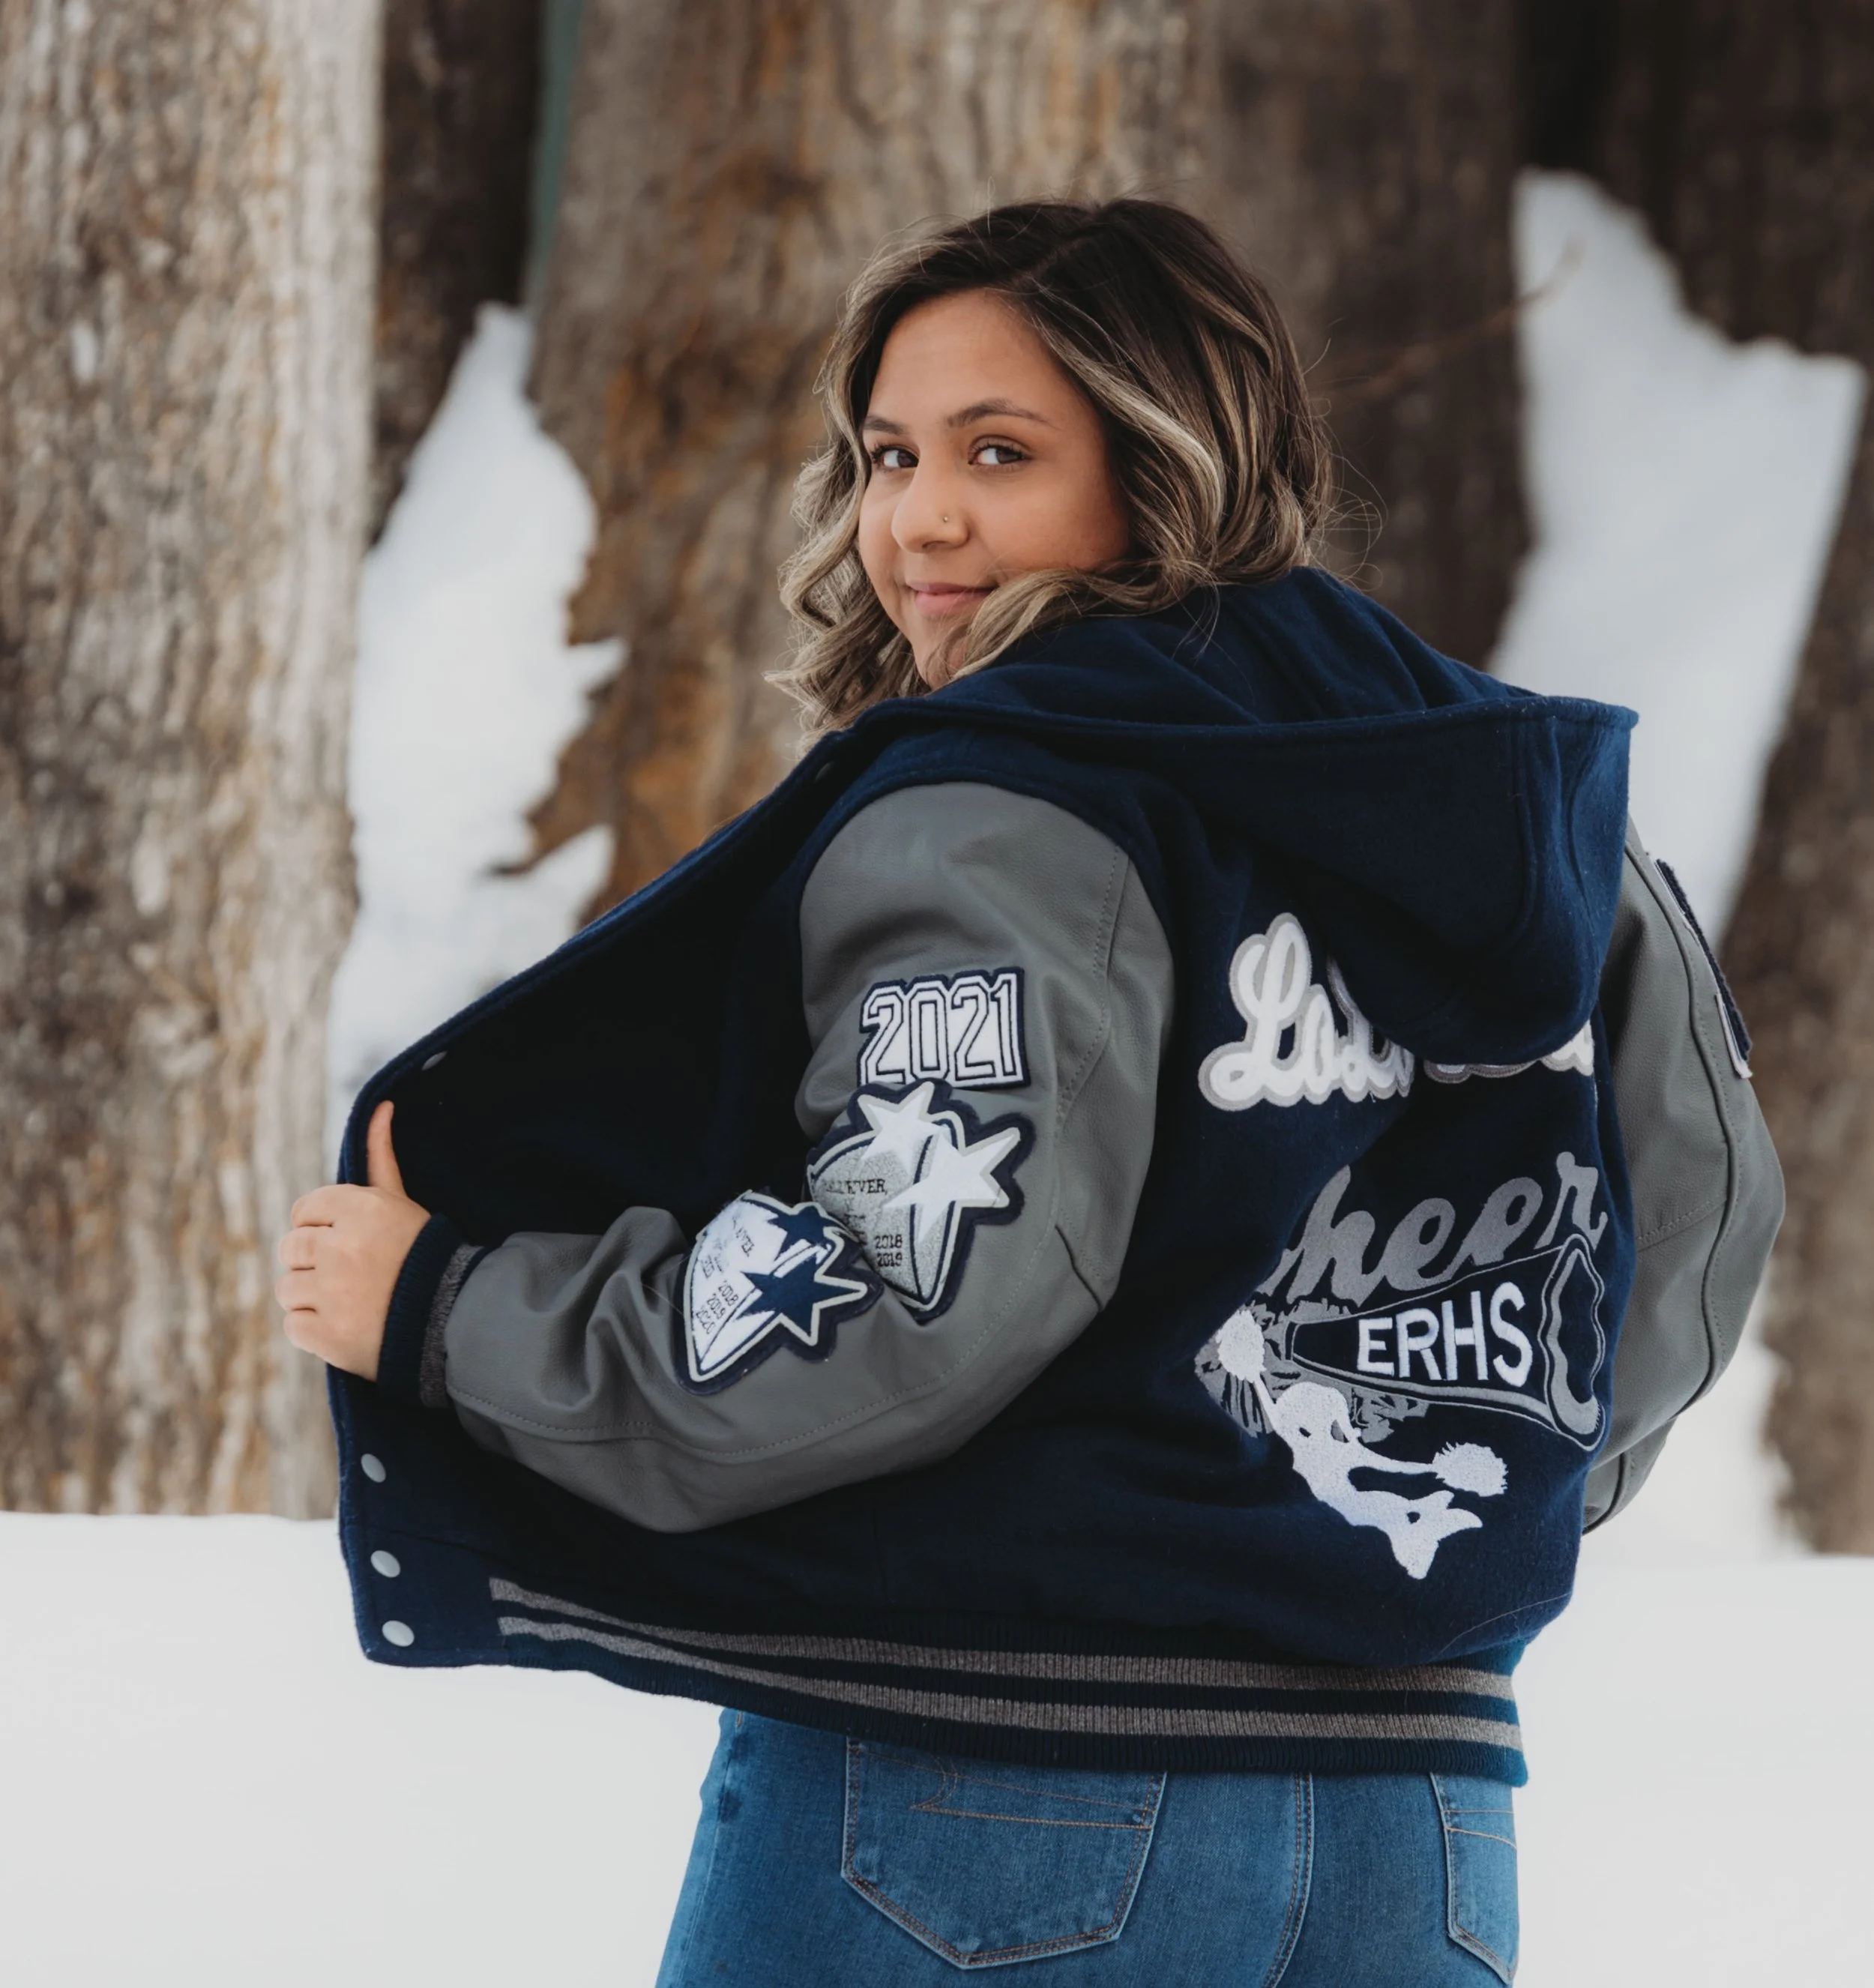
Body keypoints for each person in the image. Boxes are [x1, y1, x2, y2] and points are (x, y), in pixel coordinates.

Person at [277, 199, 1780, 1985]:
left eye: (999, 453)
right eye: (887, 453)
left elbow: (908, 1296)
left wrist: (453, 1308)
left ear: (1168, 462)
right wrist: (1433, 1494)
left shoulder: (1007, 810)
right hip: (1419, 1830)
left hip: (989, 1797)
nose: (915, 516)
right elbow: (1691, 1235)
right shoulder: (1530, 818)